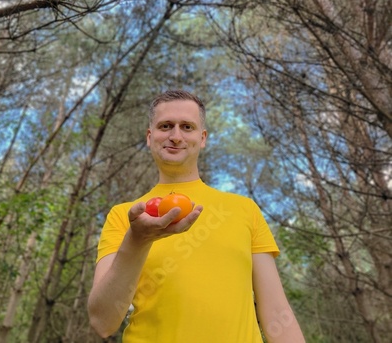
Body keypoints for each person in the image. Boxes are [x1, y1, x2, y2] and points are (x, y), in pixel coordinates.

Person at [88, 90, 305, 342]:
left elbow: (277, 313)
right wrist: (137, 241)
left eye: (187, 127)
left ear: (202, 138)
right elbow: (102, 322)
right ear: (150, 137)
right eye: (165, 126)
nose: (175, 135)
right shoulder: (125, 216)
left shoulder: (244, 209)